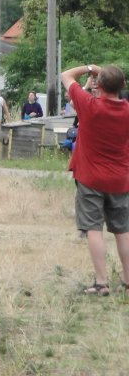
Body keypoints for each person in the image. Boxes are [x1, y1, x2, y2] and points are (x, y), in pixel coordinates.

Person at [60, 63, 129, 296]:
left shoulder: (89, 105)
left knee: (93, 229)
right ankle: (128, 279)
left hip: (90, 178)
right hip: (120, 179)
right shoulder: (127, 110)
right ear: (122, 86)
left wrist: (91, 68)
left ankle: (101, 282)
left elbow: (66, 75)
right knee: (122, 230)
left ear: (98, 85)